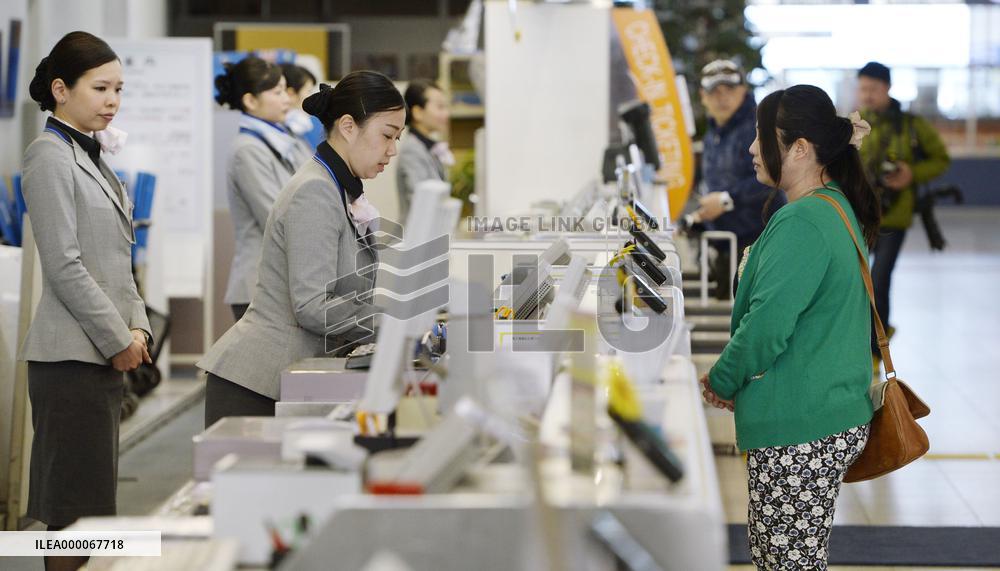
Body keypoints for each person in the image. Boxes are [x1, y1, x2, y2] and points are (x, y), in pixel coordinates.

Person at [700, 85, 880, 569]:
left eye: (762, 137)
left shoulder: (803, 221)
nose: (752, 148)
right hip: (827, 410)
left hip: (802, 423)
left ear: (799, 148)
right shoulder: (833, 204)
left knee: (787, 562)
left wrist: (721, 379)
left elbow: (767, 327)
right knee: (786, 557)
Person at [198, 71, 405, 428]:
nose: (393, 150)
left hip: (284, 376)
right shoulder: (317, 190)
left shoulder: (339, 188)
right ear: (348, 126)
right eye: (387, 135)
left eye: (398, 138)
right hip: (256, 383)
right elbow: (313, 305)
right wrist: (393, 323)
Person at [22, 31, 153, 571]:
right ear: (60, 90)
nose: (112, 100)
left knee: (93, 513)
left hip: (98, 353)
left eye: (118, 88)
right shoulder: (48, 156)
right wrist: (118, 336)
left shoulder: (93, 157)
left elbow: (119, 262)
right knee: (73, 517)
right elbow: (65, 264)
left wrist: (140, 327)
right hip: (71, 357)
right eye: (100, 87)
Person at [856, 61, 950, 366]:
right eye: (862, 88)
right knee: (856, 280)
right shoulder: (855, 124)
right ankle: (871, 334)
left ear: (887, 88)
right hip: (860, 217)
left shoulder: (911, 125)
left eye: (873, 88)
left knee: (880, 279)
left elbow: (940, 159)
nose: (867, 95)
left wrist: (912, 173)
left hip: (894, 218)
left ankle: (874, 350)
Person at [216, 56, 311, 321]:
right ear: (250, 101)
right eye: (277, 92)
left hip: (281, 285)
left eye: (285, 90)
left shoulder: (285, 140)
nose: (287, 99)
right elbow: (275, 216)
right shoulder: (247, 150)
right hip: (258, 288)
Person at [696, 59, 786, 297]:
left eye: (730, 90)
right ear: (703, 96)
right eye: (714, 92)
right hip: (728, 242)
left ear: (743, 91)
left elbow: (773, 177)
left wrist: (726, 200)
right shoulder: (714, 130)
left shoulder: (758, 127)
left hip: (758, 241)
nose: (722, 98)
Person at [397, 79, 453, 223]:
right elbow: (422, 201)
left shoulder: (428, 147)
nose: (446, 113)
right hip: (417, 236)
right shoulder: (412, 150)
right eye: (440, 107)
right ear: (418, 112)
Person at [279, 62, 326, 149]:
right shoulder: (279, 132)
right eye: (309, 91)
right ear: (291, 94)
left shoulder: (314, 124)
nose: (313, 97)